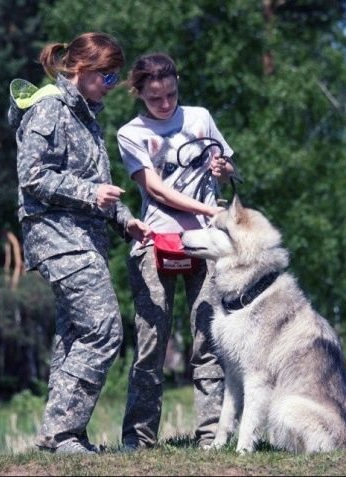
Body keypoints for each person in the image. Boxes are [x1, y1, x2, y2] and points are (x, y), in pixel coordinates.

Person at [9, 33, 151, 455]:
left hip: (82, 237)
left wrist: (126, 223)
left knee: (75, 335)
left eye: (115, 78)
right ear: (81, 70)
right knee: (103, 329)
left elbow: (98, 187)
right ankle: (61, 434)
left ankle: (62, 436)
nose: (112, 86)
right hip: (56, 237)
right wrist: (91, 195)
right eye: (107, 77)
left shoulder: (86, 115)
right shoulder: (50, 107)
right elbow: (32, 175)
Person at [116, 52, 236, 450]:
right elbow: (153, 188)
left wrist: (224, 171)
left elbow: (223, 162)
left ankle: (211, 436)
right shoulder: (129, 132)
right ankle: (139, 439)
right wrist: (206, 209)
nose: (165, 103)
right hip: (156, 242)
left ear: (177, 82)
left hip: (207, 245)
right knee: (151, 343)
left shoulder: (200, 117)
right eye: (155, 98)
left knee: (209, 339)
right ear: (139, 94)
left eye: (170, 94)